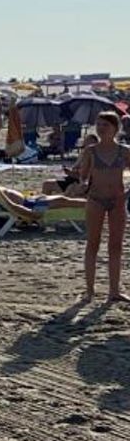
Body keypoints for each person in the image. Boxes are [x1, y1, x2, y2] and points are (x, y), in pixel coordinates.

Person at [79, 112, 130, 303]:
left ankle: (114, 291)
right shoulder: (91, 151)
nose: (101, 129)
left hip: (117, 201)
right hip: (96, 200)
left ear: (115, 128)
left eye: (105, 125)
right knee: (93, 243)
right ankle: (90, 291)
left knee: (115, 246)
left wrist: (126, 193)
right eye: (98, 125)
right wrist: (83, 184)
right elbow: (83, 175)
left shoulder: (124, 151)